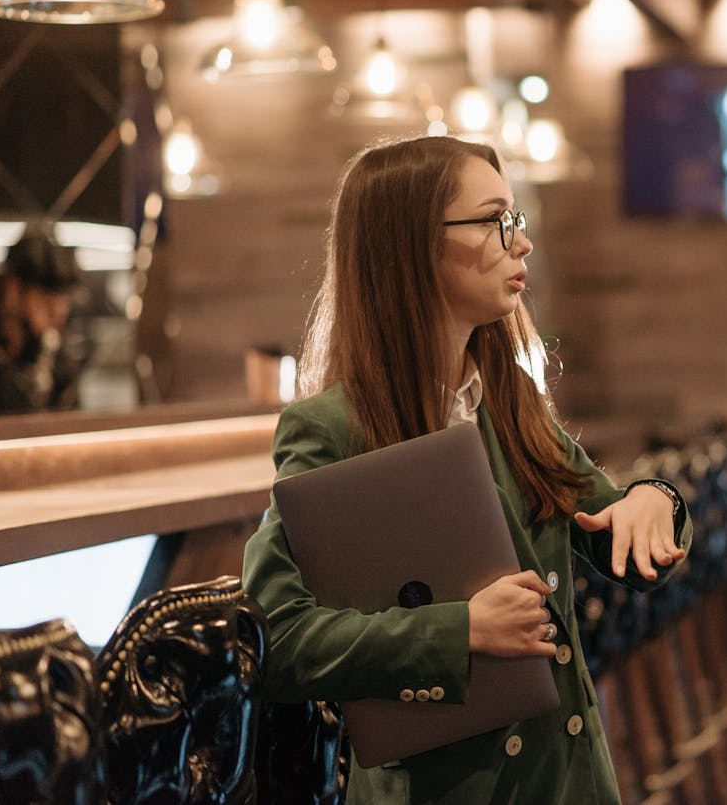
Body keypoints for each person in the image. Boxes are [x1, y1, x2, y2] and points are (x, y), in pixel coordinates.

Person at [241, 135, 693, 803]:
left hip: (567, 781)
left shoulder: (508, 399)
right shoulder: (333, 427)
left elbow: (616, 525)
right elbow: (274, 635)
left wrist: (653, 499)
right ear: (411, 245)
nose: (521, 242)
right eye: (495, 220)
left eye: (517, 218)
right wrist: (459, 631)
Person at [0, 222, 85, 415]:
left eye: (62, 310)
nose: (55, 322)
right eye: (46, 306)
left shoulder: (55, 357)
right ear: (13, 290)